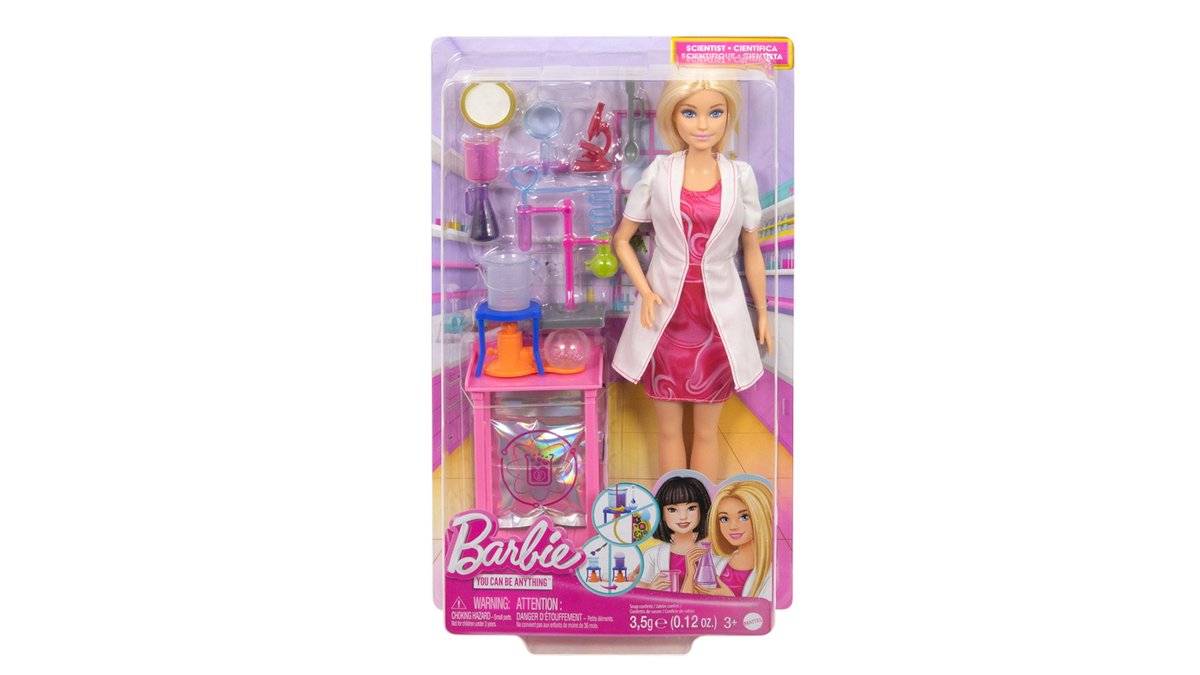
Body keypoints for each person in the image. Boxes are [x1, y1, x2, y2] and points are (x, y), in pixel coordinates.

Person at [612, 76, 773, 478]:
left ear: (729, 116)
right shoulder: (659, 172)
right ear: (673, 116)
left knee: (706, 433)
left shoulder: (740, 176)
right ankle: (672, 513)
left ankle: (703, 513)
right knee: (668, 432)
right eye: (690, 112)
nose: (703, 124)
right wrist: (646, 291)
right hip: (665, 316)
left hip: (718, 320)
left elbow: (751, 248)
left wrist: (763, 312)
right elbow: (622, 240)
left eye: (715, 112)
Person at [686, 480, 773, 600]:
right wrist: (690, 574)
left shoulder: (772, 574)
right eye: (724, 519)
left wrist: (730, 599)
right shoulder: (714, 563)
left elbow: (762, 611)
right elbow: (689, 604)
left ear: (761, 517)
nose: (733, 526)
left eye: (744, 517)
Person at [637, 475, 711, 591]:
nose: (683, 517)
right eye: (672, 510)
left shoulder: (710, 554)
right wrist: (650, 588)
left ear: (702, 510)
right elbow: (638, 587)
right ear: (661, 513)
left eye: (691, 508)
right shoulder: (653, 554)